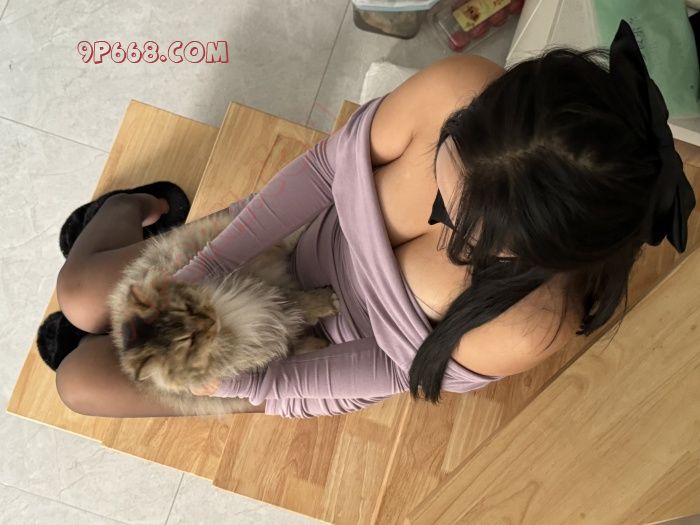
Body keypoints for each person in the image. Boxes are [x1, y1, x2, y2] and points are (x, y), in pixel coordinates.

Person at [53, 20, 695, 418]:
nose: (440, 210)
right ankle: (127, 207)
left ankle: (119, 245)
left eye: (463, 228)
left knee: (79, 384)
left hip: (313, 354)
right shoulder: (458, 86)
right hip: (288, 242)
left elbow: (392, 367)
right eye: (450, 156)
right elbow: (322, 171)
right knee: (79, 297)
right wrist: (211, 261)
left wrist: (243, 385)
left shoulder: (527, 324)